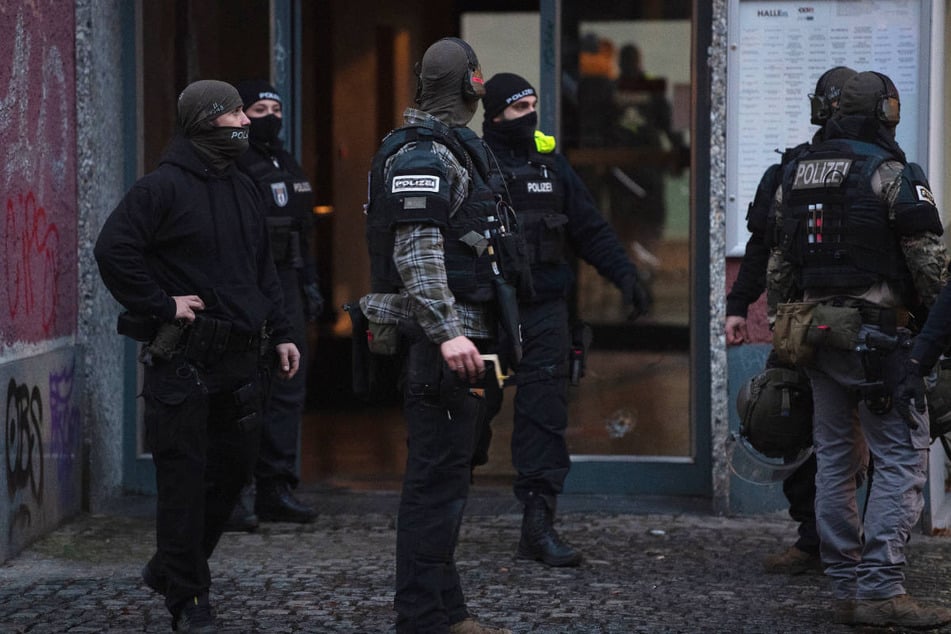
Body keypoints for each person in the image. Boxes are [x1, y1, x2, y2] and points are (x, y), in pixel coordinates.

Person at [94, 79, 301, 633]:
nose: (246, 122)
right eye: (235, 113)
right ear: (207, 121)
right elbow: (113, 250)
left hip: (240, 362)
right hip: (183, 363)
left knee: (232, 476)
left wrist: (281, 331)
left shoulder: (245, 186)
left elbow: (264, 270)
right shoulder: (160, 189)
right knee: (184, 484)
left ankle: (170, 565)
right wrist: (161, 304)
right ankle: (189, 600)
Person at [767, 70, 951, 629]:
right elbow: (931, 267)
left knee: (835, 458)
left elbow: (780, 267)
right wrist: (930, 334)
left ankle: (847, 584)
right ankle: (881, 590)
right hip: (879, 337)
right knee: (900, 456)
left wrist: (787, 332)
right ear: (883, 113)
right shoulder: (891, 174)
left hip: (815, 335)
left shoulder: (794, 173)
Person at [359, 37, 512, 634]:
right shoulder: (424, 155)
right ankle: (422, 618)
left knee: (448, 486)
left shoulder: (450, 149)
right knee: (432, 491)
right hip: (442, 351)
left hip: (463, 348)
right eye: (479, 78)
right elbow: (417, 253)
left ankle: (448, 614)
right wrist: (449, 333)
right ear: (471, 83)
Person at [480, 73, 650, 567]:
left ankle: (538, 522)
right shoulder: (471, 164)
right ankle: (441, 515)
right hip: (486, 312)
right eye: (518, 108)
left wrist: (625, 275)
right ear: (493, 115)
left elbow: (589, 227)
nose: (530, 115)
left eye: (533, 104)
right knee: (465, 418)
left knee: (543, 419)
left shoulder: (550, 164)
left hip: (545, 310)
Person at [726, 66, 856, 575]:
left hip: (859, 325)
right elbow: (760, 246)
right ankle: (813, 538)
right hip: (798, 328)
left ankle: (856, 546)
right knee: (793, 422)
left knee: (863, 436)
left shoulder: (881, 170)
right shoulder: (787, 174)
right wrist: (739, 306)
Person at [222, 80, 321, 530]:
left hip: (288, 286)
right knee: (242, 394)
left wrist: (311, 284)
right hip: (246, 289)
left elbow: (303, 232)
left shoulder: (287, 162)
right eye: (258, 108)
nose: (269, 116)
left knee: (286, 391)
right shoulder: (232, 164)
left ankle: (274, 488)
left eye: (275, 108)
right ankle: (233, 494)